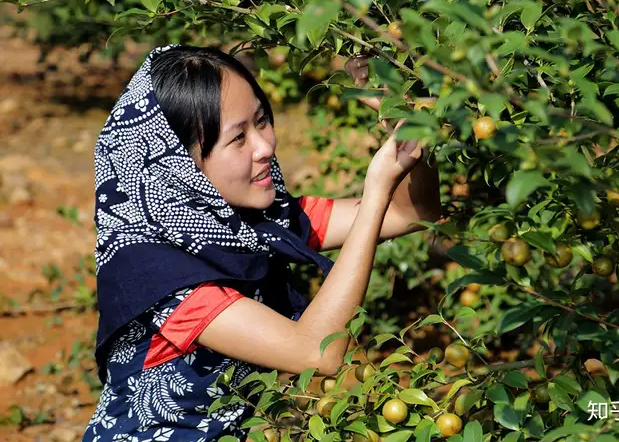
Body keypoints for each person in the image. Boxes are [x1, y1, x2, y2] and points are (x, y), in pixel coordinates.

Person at [83, 45, 441, 441]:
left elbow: (412, 212)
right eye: (238, 138)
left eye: (262, 120)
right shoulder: (156, 272)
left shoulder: (252, 222)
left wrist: (405, 123)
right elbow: (315, 353)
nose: (265, 147)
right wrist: (375, 193)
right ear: (178, 163)